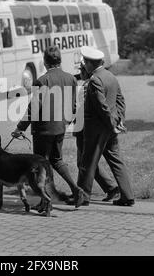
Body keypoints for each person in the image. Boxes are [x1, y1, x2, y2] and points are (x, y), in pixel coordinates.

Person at [12, 46, 83, 205]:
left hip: (43, 131)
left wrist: (20, 128)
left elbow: (33, 109)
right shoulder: (71, 78)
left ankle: (45, 201)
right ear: (60, 60)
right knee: (57, 160)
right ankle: (76, 190)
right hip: (59, 128)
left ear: (45, 62)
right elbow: (73, 106)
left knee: (41, 165)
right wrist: (66, 122)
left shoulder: (42, 81)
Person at [75, 46, 134, 207]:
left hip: (96, 129)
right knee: (116, 161)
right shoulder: (111, 76)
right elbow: (120, 101)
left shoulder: (95, 80)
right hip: (110, 127)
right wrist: (118, 120)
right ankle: (127, 196)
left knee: (87, 163)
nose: (84, 66)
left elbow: (102, 107)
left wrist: (112, 124)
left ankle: (82, 196)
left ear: (89, 64)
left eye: (85, 62)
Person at [70, 61, 120, 204]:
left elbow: (83, 109)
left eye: (81, 69)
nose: (80, 72)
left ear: (86, 71)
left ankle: (82, 195)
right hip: (85, 128)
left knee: (84, 162)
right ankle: (110, 188)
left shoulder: (87, 86)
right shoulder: (88, 83)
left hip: (84, 129)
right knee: (88, 162)